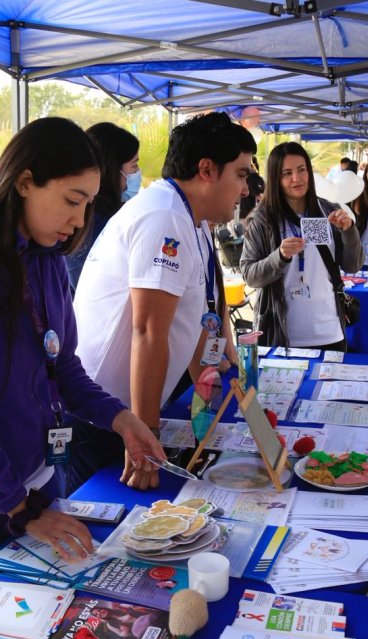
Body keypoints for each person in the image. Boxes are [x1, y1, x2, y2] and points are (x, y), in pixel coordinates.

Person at [0, 117, 165, 575]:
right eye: (71, 200)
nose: (79, 220)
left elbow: (62, 367)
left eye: (87, 203)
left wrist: (121, 418)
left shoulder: (46, 255)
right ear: (24, 181)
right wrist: (22, 511)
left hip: (39, 484)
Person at [72, 111, 255, 490]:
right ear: (206, 170)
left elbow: (201, 306)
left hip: (122, 416)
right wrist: (145, 436)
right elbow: (148, 332)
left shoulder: (192, 217)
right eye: (240, 175)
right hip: (104, 422)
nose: (247, 190)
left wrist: (219, 373)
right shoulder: (164, 216)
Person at [239, 141, 362, 350]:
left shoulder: (328, 209)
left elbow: (353, 266)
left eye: (302, 170)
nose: (296, 178)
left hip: (330, 332)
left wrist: (349, 231)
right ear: (275, 178)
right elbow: (250, 275)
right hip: (282, 336)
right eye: (287, 173)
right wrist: (280, 256)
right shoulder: (263, 219)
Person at [65, 122, 140, 292]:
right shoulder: (94, 222)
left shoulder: (110, 214)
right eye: (134, 166)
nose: (137, 173)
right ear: (112, 169)